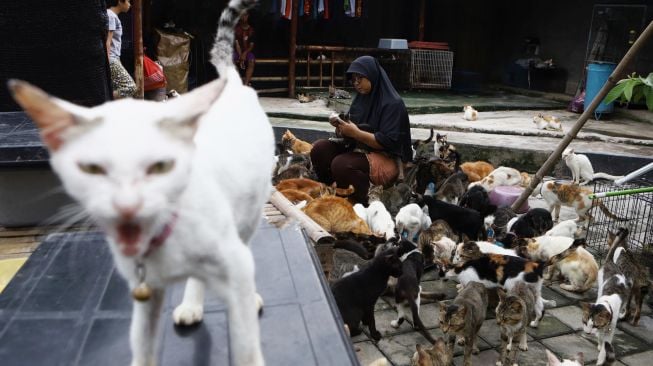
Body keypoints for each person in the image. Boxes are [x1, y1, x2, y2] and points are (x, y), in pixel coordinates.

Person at [310, 56, 413, 204]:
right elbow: (352, 131)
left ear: (372, 76)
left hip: (386, 157)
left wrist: (356, 133)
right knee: (320, 149)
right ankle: (334, 190)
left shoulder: (393, 104)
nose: (356, 83)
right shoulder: (361, 100)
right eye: (354, 79)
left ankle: (365, 198)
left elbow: (388, 142)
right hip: (359, 148)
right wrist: (341, 128)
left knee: (341, 164)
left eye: (360, 78)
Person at [106, 0, 137, 99]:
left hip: (114, 58)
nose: (130, 4)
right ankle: (105, 100)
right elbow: (108, 41)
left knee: (116, 87)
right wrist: (107, 62)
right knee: (130, 87)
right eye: (128, 1)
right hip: (111, 59)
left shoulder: (112, 15)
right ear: (120, 1)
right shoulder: (111, 15)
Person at [233, 11, 255, 86]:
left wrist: (244, 54)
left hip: (247, 52)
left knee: (251, 61)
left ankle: (245, 85)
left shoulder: (251, 30)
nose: (244, 17)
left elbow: (251, 46)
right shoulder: (236, 29)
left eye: (245, 15)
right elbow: (237, 45)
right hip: (237, 52)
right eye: (242, 15)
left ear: (248, 16)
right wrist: (240, 56)